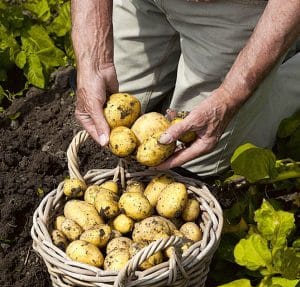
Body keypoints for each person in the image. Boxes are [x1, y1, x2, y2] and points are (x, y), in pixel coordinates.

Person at [71, 0, 300, 177]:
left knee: (195, 163)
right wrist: (94, 59)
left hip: (236, 7)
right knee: (112, 121)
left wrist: (230, 95)